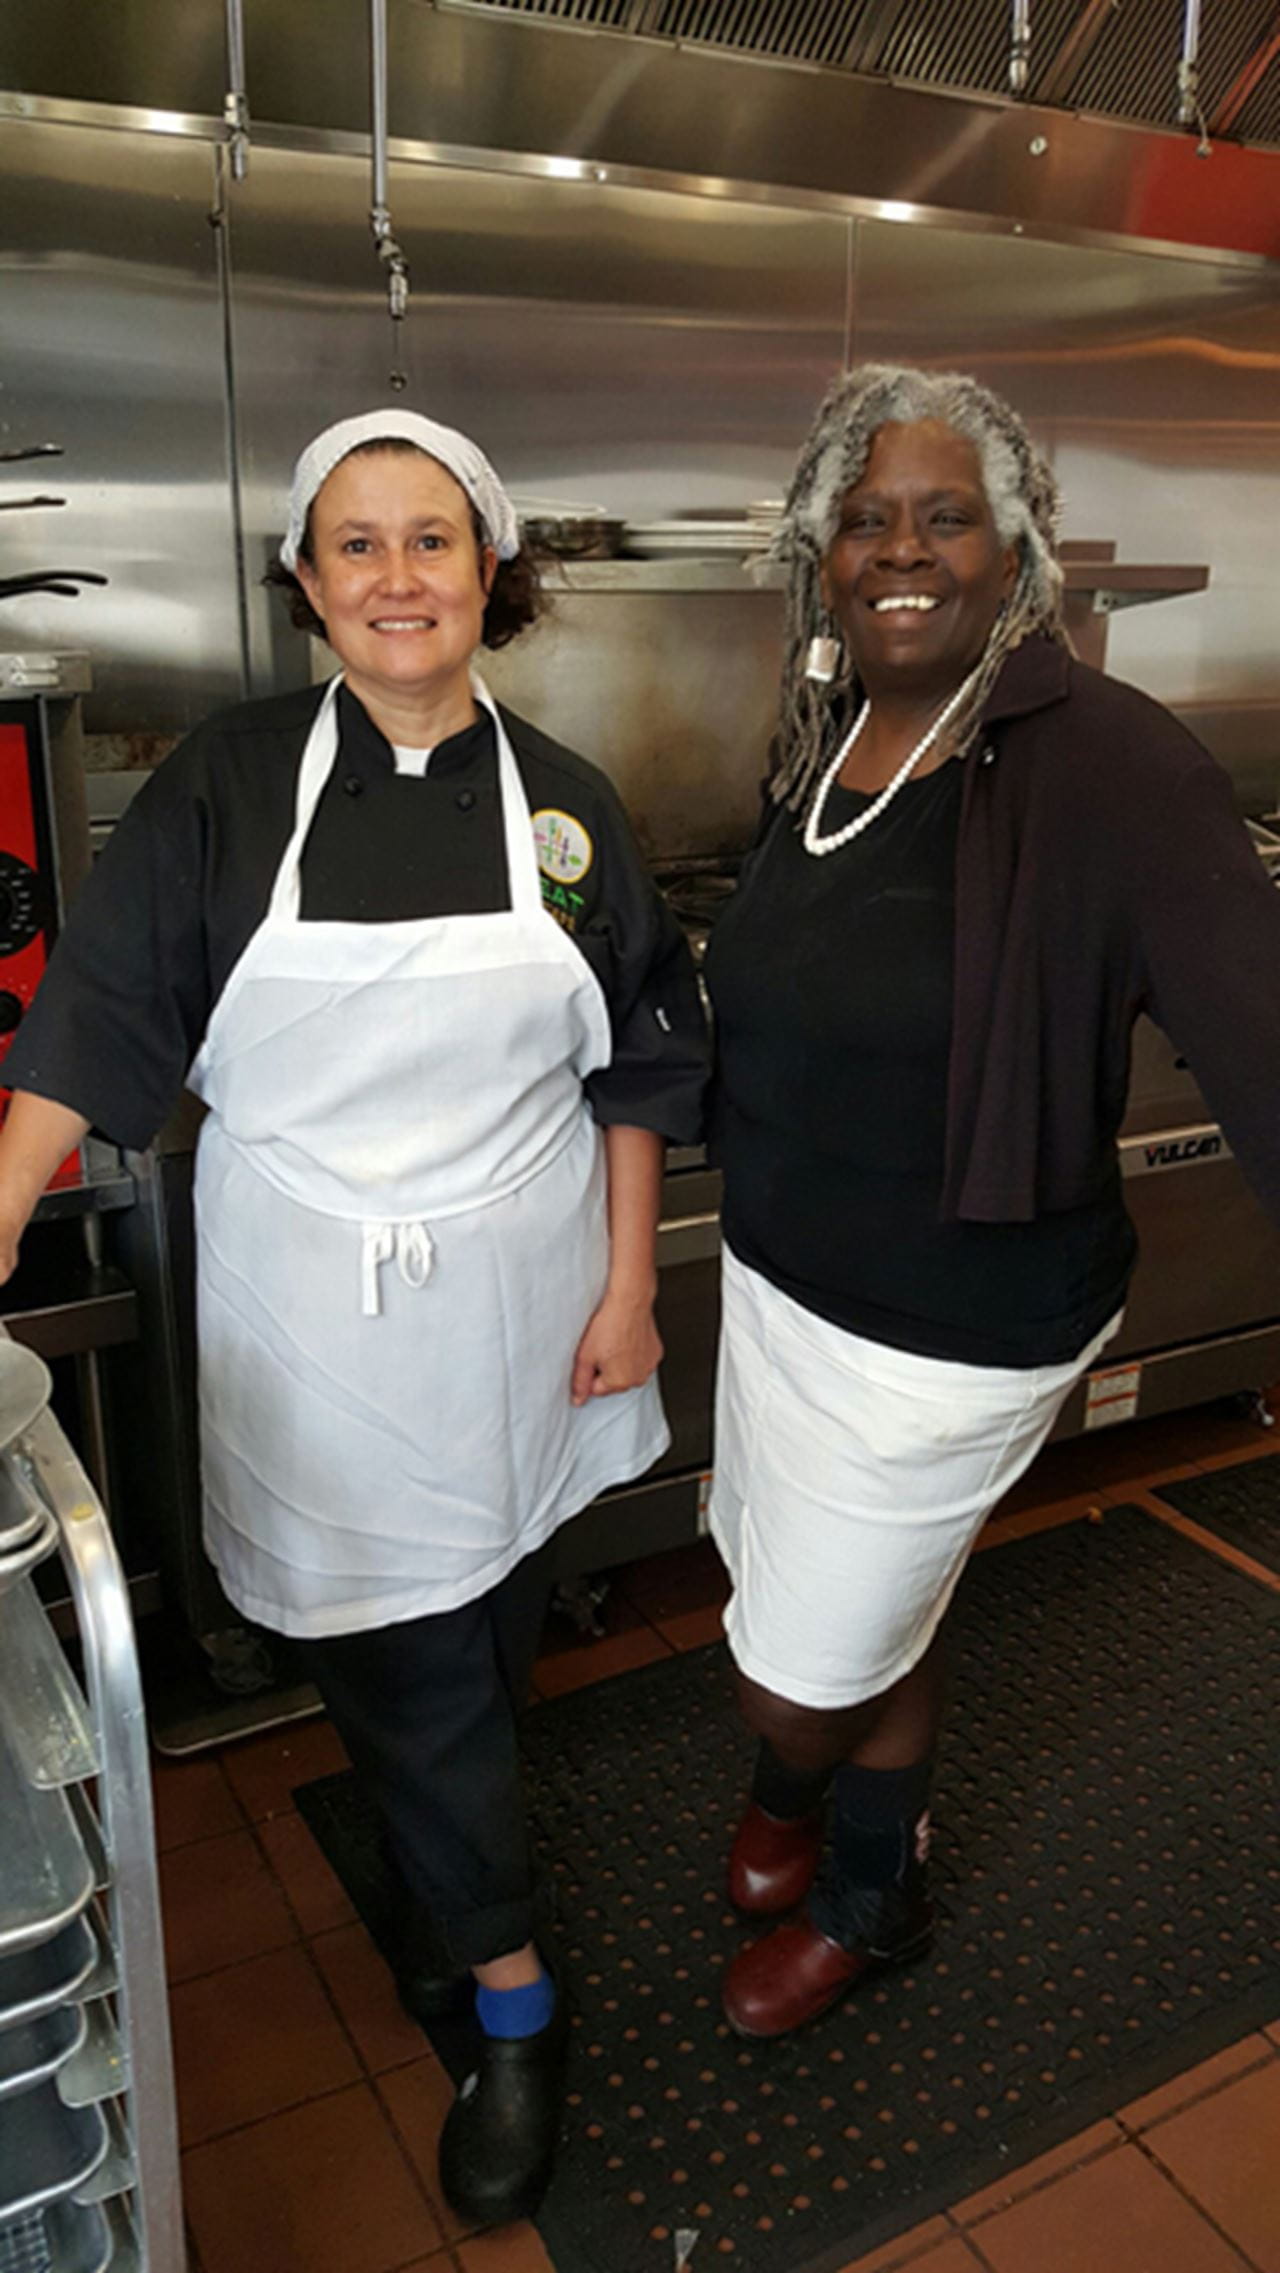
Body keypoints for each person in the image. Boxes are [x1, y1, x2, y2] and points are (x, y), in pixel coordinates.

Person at [0, 409, 707, 2220]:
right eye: (358, 545)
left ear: (491, 574)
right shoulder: (229, 787)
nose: (399, 576)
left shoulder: (565, 805)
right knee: (394, 1648)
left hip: (528, 1296)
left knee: (472, 1638)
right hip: (315, 1308)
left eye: (433, 540)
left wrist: (631, 1286)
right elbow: (92, 1022)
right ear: (309, 586)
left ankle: (445, 1895)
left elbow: (637, 1062)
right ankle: (512, 1991)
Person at [702, 363, 1280, 2041]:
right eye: (865, 518)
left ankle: (814, 1802)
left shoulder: (1109, 762)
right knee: (859, 1600)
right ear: (823, 556)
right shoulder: (829, 734)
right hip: (783, 1278)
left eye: (946, 516)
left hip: (951, 1321)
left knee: (797, 1665)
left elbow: (1260, 1034)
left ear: (1015, 550)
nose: (903, 548)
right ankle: (855, 1870)